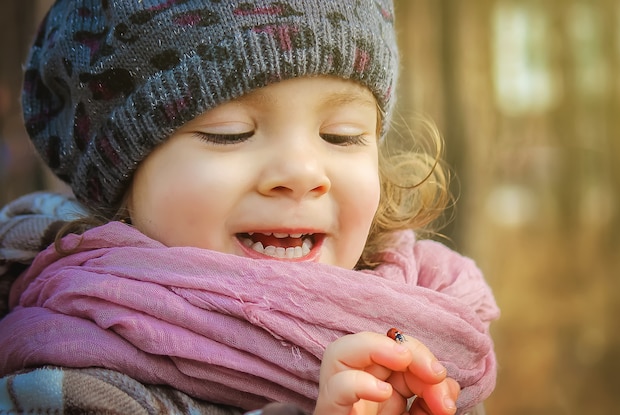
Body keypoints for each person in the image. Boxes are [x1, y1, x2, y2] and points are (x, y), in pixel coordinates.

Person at [0, 1, 500, 414]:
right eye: (230, 134)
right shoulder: (70, 374)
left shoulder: (431, 325)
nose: (303, 173)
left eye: (340, 136)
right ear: (122, 180)